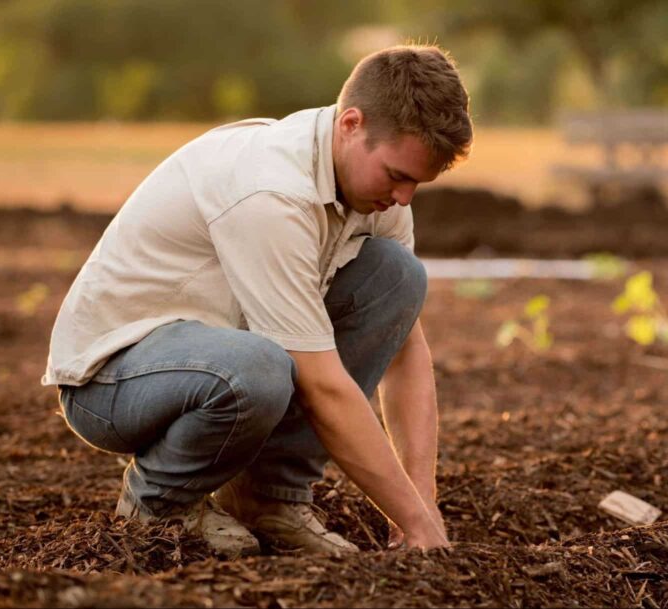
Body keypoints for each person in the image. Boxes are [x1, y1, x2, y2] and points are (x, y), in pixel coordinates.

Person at [41, 45, 472, 558]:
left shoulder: (376, 194)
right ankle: (159, 503)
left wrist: (422, 506)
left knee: (397, 276)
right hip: (112, 379)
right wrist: (412, 520)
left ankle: (268, 498)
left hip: (219, 354)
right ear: (351, 124)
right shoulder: (271, 191)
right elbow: (322, 385)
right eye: (397, 175)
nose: (404, 197)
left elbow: (403, 348)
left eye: (416, 183)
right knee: (260, 368)